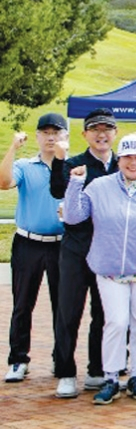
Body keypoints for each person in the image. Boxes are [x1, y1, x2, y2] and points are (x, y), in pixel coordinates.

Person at [62, 133, 136, 404]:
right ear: (119, 158)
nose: (133, 162)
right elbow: (74, 216)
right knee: (115, 321)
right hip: (109, 267)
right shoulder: (99, 186)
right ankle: (110, 376)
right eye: (127, 157)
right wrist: (75, 183)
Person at [49, 108, 116, 398]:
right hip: (76, 249)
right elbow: (56, 190)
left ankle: (96, 370)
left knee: (103, 313)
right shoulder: (74, 163)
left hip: (107, 250)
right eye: (95, 129)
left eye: (107, 129)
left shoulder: (121, 165)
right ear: (85, 134)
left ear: (114, 133)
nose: (101, 134)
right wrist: (59, 162)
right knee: (69, 311)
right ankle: (65, 372)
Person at [2, 114, 67, 384]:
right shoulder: (25, 166)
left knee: (62, 307)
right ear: (38, 136)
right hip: (28, 243)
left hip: (61, 245)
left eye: (56, 132)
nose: (50, 137)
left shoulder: (72, 167)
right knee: (22, 304)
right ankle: (18, 359)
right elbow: (3, 182)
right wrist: (13, 147)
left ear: (64, 135)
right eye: (45, 132)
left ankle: (61, 359)